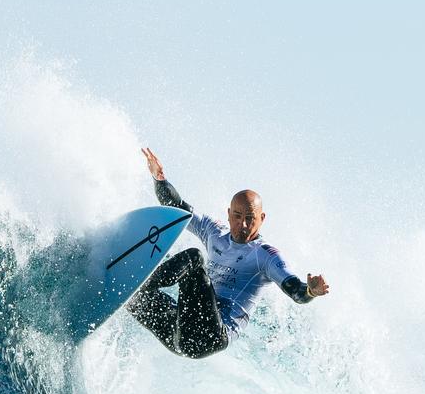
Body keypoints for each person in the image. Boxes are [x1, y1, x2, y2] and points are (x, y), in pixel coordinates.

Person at [126, 147, 330, 358]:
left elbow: (295, 290)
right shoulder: (213, 232)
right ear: (229, 214)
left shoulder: (265, 256)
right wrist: (160, 179)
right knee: (136, 298)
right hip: (179, 334)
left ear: (262, 219)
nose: (243, 224)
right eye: (238, 216)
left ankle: (140, 282)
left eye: (250, 218)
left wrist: (310, 292)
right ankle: (125, 288)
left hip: (211, 336)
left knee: (195, 258)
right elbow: (176, 206)